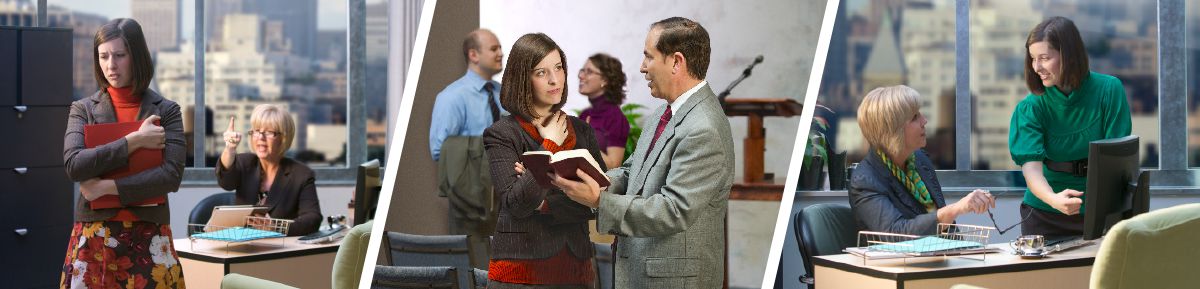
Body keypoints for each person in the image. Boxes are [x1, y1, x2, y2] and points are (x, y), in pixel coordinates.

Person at [553, 17, 734, 288]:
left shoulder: (703, 127)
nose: (642, 67)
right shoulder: (664, 112)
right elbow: (631, 171)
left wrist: (600, 201)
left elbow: (673, 210)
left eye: (648, 57)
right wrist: (591, 181)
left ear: (676, 62)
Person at [60, 18, 187, 288]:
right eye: (103, 56)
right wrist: (134, 141)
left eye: (119, 55)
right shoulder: (82, 109)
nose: (110, 65)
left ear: (137, 57)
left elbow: (170, 176)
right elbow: (74, 164)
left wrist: (107, 187)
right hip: (94, 235)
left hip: (150, 233)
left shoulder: (167, 110)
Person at [482, 33, 601, 289]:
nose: (554, 79)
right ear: (523, 79)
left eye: (558, 68)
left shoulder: (583, 131)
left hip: (576, 269)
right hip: (520, 271)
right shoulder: (502, 134)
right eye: (541, 72)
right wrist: (549, 146)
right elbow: (517, 204)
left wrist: (543, 201)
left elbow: (596, 201)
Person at [1009, 16, 1131, 237]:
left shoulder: (1109, 90)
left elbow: (1117, 162)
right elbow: (1032, 171)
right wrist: (1053, 199)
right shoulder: (1030, 108)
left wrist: (1103, 210)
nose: (1037, 67)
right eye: (1032, 59)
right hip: (1044, 212)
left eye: (1044, 58)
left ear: (1068, 55)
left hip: (1101, 211)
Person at [848, 85, 995, 236]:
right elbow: (896, 233)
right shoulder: (865, 180)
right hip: (896, 259)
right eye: (914, 117)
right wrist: (956, 209)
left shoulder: (920, 160)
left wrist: (966, 251)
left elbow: (947, 228)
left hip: (939, 256)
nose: (924, 121)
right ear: (892, 130)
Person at [429, 28, 506, 268]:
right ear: (474, 55)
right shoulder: (452, 97)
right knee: (473, 270)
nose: (501, 53)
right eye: (494, 48)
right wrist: (480, 152)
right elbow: (439, 150)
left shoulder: (505, 94)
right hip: (470, 201)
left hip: (507, 200)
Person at [217, 104, 323, 236]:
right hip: (241, 245)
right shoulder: (244, 163)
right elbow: (226, 182)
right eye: (256, 131)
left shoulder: (301, 174)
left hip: (278, 250)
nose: (261, 137)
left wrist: (276, 227)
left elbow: (313, 219)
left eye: (269, 132)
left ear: (283, 138)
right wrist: (230, 149)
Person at [578, 53, 631, 169]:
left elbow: (613, 166)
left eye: (589, 72)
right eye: (582, 71)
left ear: (605, 80)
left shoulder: (616, 118)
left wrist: (587, 141)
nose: (581, 76)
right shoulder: (585, 114)